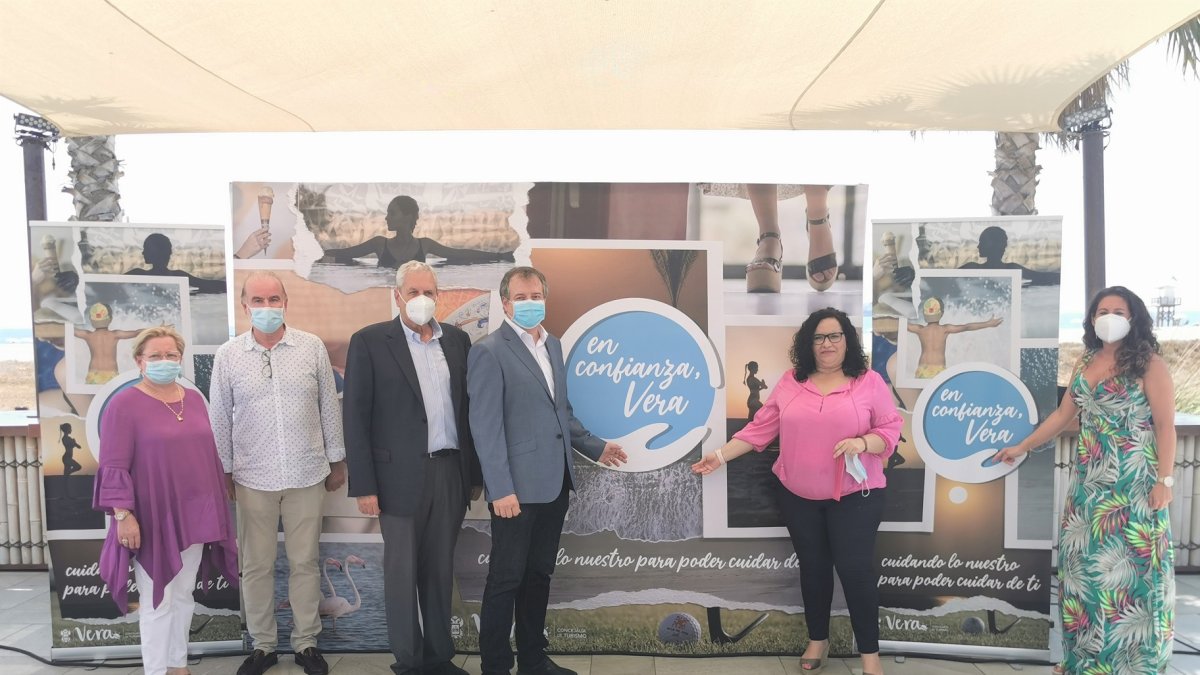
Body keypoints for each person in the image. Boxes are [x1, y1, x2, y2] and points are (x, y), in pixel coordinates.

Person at [692, 308, 901, 675]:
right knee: (814, 570)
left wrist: (862, 442)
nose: (827, 344)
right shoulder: (791, 382)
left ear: (847, 340)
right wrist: (720, 456)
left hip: (855, 497)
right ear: (808, 343)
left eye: (835, 336)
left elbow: (889, 430)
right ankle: (817, 639)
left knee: (855, 572)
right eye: (819, 337)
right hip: (798, 497)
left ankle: (870, 657)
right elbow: (760, 429)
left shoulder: (868, 382)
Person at [992, 286, 1175, 675]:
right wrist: (1022, 445)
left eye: (1118, 310)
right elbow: (1062, 418)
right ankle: (1083, 660)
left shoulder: (1150, 364)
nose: (1109, 316)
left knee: (1129, 578)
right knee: (1082, 574)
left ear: (1134, 318)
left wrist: (1167, 481)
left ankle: (1131, 666)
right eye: (1102, 310)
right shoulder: (1085, 360)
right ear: (1092, 319)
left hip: (1134, 487)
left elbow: (1166, 427)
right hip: (1088, 488)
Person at [468, 266, 628, 675]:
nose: (528, 303)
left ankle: (534, 661)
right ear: (505, 302)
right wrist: (500, 488)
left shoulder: (553, 345)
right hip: (515, 493)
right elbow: (485, 430)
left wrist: (597, 446)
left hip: (555, 483)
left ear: (545, 298)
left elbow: (562, 414)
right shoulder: (488, 351)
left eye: (535, 295)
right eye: (520, 297)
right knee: (506, 579)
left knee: (539, 574)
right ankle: (496, 667)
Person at [343, 261, 481, 675]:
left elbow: (468, 409)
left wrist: (472, 476)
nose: (423, 298)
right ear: (398, 294)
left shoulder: (457, 341)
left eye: (430, 291)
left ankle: (440, 657)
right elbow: (355, 415)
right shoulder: (369, 341)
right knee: (402, 573)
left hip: (449, 472)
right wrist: (364, 486)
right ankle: (408, 660)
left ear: (439, 296)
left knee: (440, 572)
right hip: (395, 480)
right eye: (415, 291)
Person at [208, 271, 346, 675]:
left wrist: (337, 460)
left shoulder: (311, 347)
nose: (266, 307)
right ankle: (263, 646)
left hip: (307, 473)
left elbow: (328, 407)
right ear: (244, 305)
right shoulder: (229, 355)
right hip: (251, 477)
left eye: (274, 299)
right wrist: (225, 472)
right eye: (258, 299)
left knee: (305, 561)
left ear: (286, 302)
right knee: (256, 565)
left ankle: (306, 643)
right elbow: (219, 418)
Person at [93, 326, 238, 675]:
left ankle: (178, 665)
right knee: (158, 598)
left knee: (185, 592)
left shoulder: (193, 398)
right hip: (151, 516)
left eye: (171, 355)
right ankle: (156, 670)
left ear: (180, 358)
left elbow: (207, 455)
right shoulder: (123, 404)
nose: (164, 361)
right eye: (155, 356)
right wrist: (123, 514)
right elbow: (113, 464)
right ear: (139, 361)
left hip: (195, 514)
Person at [322, 195, 514, 267]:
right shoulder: (380, 243)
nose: (387, 218)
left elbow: (458, 254)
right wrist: (315, 255)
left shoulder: (425, 244)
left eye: (392, 213)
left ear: (407, 217)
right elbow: (344, 255)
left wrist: (499, 256)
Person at [906, 296, 1002, 378]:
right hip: (938, 371)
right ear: (941, 313)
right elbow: (967, 327)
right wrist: (988, 323)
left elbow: (902, 324)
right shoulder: (945, 329)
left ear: (925, 313)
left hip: (922, 368)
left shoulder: (920, 330)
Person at [125, 233, 226, 293]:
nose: (143, 252)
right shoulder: (178, 276)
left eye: (146, 248)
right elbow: (208, 285)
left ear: (157, 252)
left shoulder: (138, 274)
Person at [958, 225, 1060, 285]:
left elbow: (1042, 277)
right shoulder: (972, 267)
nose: (978, 246)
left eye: (982, 242)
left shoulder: (1011, 269)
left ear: (994, 245)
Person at [75, 302, 145, 384]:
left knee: (93, 397)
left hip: (93, 374)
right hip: (111, 375)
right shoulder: (115, 335)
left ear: (91, 320)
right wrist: (157, 328)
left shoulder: (88, 335)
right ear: (110, 319)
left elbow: (72, 331)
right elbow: (136, 333)